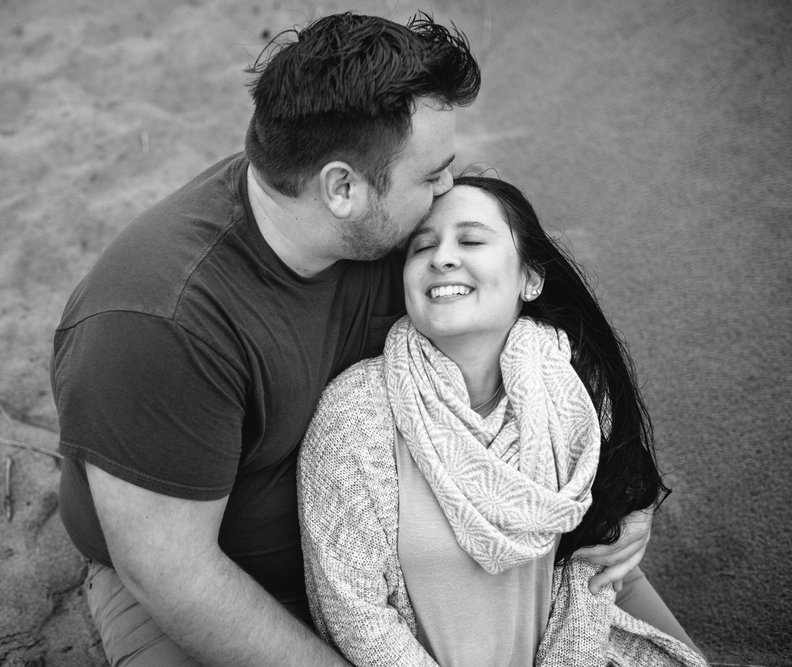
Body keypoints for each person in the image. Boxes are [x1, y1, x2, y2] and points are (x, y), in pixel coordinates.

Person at [51, 11, 653, 666]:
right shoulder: (158, 324)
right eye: (431, 177)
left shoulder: (399, 227)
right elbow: (175, 578)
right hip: (225, 593)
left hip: (414, 538)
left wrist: (630, 485)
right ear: (342, 188)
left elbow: (556, 315)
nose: (450, 189)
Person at [297, 176, 706, 666]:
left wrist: (635, 511)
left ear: (530, 278)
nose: (442, 257)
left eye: (470, 240)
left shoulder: (573, 387)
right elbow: (353, 612)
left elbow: (597, 547)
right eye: (421, 246)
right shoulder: (356, 411)